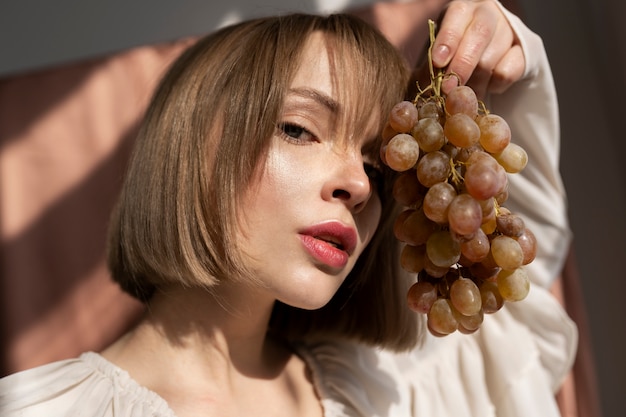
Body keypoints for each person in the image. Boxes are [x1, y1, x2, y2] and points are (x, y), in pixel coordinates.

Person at [0, 1, 576, 416]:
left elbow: (519, 274)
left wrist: (522, 59)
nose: (358, 184)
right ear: (191, 148)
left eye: (378, 166)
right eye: (300, 130)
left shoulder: (381, 392)